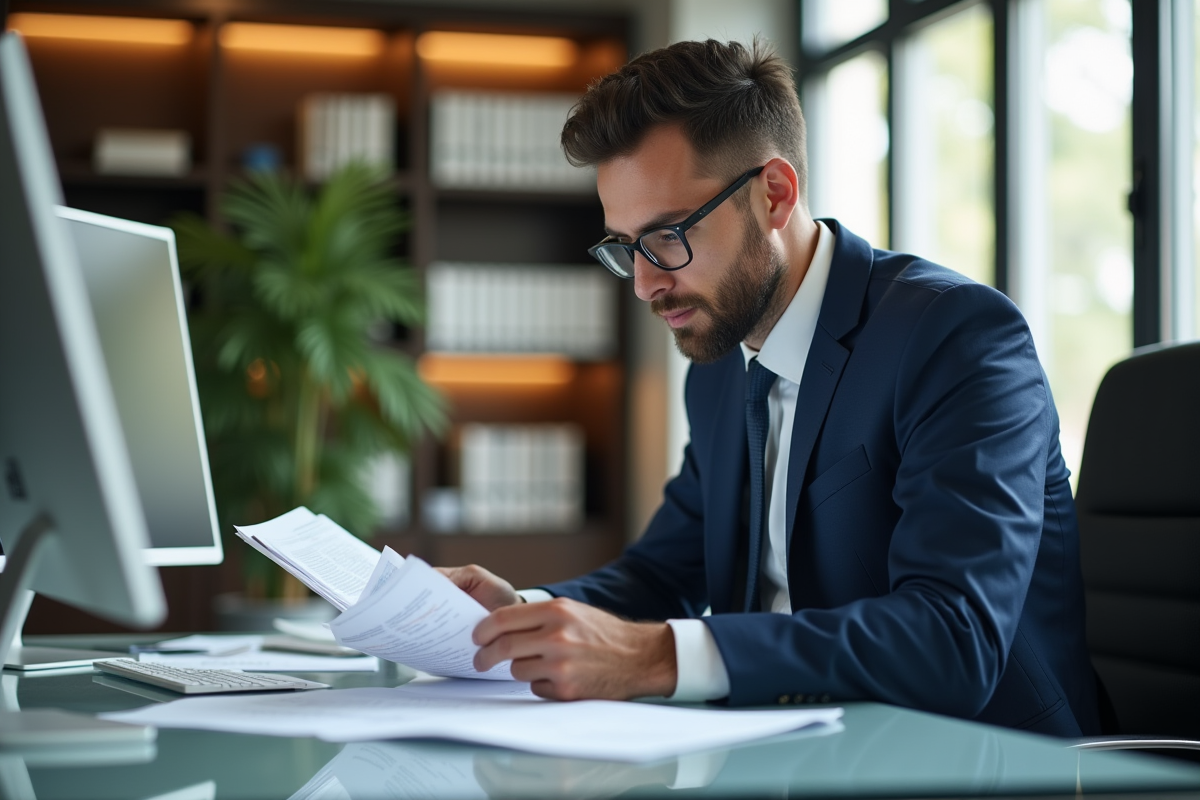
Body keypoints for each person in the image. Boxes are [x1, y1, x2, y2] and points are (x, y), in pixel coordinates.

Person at [439, 39, 1101, 737]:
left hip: (983, 761)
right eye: (625, 248)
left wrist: (660, 657)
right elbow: (662, 574)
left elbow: (953, 638)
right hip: (788, 746)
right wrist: (518, 616)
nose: (644, 283)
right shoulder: (719, 371)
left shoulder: (954, 337)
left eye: (666, 236)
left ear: (774, 195)